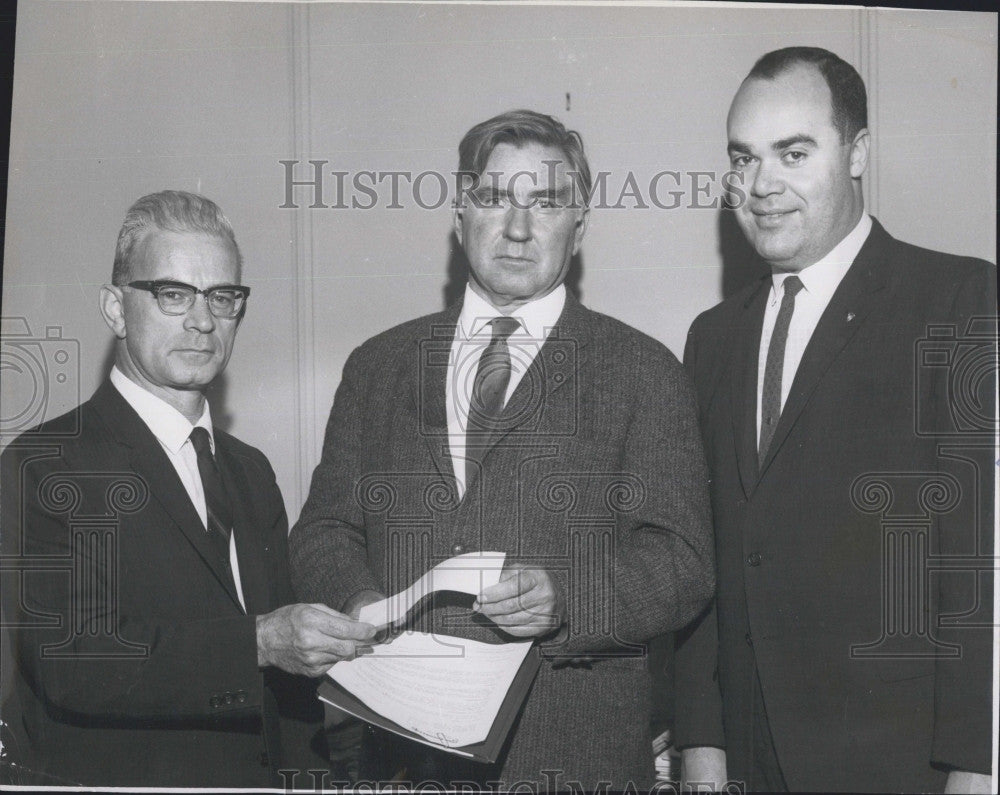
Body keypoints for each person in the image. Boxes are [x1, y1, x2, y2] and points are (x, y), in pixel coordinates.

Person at [289, 109, 715, 790]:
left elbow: (683, 560)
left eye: (544, 202)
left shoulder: (643, 370)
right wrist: (360, 600)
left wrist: (566, 598)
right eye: (493, 198)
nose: (517, 228)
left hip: (571, 758)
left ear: (580, 223)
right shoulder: (378, 366)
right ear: (460, 216)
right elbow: (324, 528)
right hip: (399, 758)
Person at [675, 47, 995, 793]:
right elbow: (706, 558)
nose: (761, 186)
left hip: (900, 761)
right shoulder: (712, 337)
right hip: (746, 760)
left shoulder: (956, 297)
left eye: (793, 153)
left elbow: (976, 557)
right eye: (743, 158)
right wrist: (701, 740)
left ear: (857, 154)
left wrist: (977, 762)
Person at [0, 190, 376, 787]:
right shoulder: (44, 465)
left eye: (222, 296)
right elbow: (75, 663)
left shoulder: (251, 472)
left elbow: (292, 696)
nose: (203, 321)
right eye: (173, 294)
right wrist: (257, 642)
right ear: (116, 310)